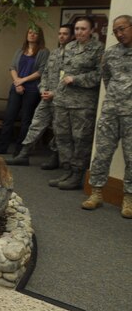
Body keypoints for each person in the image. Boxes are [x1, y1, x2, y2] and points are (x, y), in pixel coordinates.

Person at [81, 15, 132, 218]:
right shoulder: (110, 54)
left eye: (122, 29)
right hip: (111, 113)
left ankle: (128, 198)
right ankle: (97, 193)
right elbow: (107, 79)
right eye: (116, 31)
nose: (119, 34)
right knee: (102, 153)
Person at [49, 16, 104, 190]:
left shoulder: (98, 49)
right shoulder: (69, 46)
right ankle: (66, 171)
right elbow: (61, 71)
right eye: (77, 29)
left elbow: (99, 75)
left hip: (83, 103)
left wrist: (77, 79)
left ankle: (77, 174)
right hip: (63, 100)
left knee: (80, 139)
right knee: (62, 136)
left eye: (83, 29)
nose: (79, 32)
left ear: (91, 30)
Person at [7, 24, 74, 167]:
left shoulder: (75, 55)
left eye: (65, 34)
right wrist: (43, 89)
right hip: (46, 96)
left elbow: (70, 78)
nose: (61, 36)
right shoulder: (55, 53)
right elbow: (45, 74)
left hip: (62, 98)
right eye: (60, 33)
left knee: (59, 130)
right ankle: (23, 155)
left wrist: (54, 93)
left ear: (71, 36)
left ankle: (55, 158)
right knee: (35, 125)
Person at [0, 26, 49, 155]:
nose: (32, 35)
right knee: (9, 118)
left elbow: (41, 71)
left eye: (35, 33)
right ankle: (1, 148)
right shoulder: (20, 50)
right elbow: (12, 67)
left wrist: (22, 81)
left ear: (39, 36)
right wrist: (17, 82)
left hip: (32, 90)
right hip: (16, 88)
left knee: (26, 120)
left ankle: (20, 151)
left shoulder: (43, 52)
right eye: (30, 32)